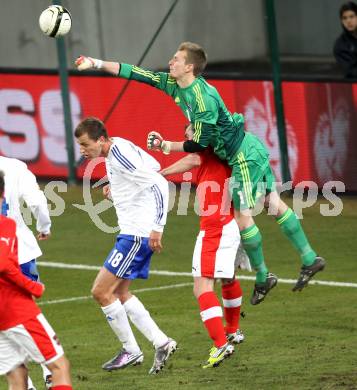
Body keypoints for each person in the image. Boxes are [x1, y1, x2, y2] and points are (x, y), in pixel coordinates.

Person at [75, 42, 325, 305]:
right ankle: (309, 258)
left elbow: (199, 145)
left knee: (242, 217)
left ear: (189, 67)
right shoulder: (174, 84)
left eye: (176, 59)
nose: (170, 62)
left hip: (241, 157)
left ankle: (263, 276)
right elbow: (137, 73)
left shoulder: (203, 98)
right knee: (272, 203)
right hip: (248, 148)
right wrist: (96, 63)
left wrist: (165, 146)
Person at [74, 117, 177, 375]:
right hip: (135, 232)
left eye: (86, 144)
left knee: (100, 291)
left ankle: (131, 350)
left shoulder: (118, 155)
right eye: (80, 145)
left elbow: (159, 183)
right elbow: (152, 165)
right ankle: (161, 342)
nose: (83, 150)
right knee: (119, 293)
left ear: (100, 140)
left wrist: (157, 227)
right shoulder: (118, 147)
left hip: (136, 235)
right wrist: (119, 188)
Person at [159, 124, 247, 368]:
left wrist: (161, 173)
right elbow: (193, 159)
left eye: (188, 133)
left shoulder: (207, 147)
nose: (186, 137)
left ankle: (220, 345)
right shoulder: (221, 151)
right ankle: (232, 331)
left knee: (202, 287)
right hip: (230, 221)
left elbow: (191, 157)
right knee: (228, 277)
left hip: (216, 227)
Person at [0, 171, 73, 390]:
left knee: (17, 375)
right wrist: (32, 286)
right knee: (59, 367)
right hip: (14, 308)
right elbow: (3, 264)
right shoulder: (6, 225)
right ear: (3, 195)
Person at [0, 157, 52, 390]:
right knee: (29, 314)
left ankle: (26, 383)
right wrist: (44, 226)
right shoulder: (15, 166)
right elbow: (37, 201)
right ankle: (50, 368)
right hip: (21, 250)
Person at [333, 1, 357, 79]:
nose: (348, 21)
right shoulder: (340, 45)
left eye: (352, 16)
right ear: (342, 21)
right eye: (344, 18)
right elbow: (351, 71)